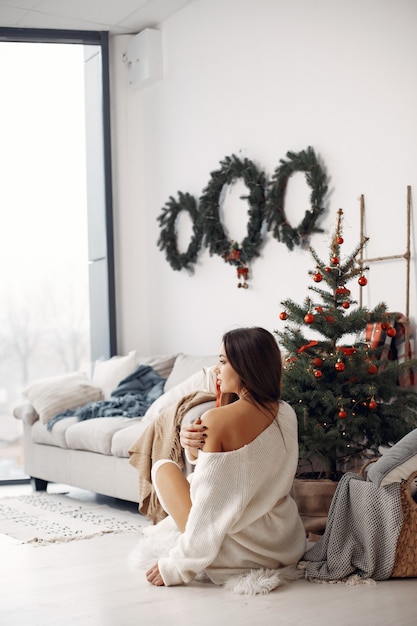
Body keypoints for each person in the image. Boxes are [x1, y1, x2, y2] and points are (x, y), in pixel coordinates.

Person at [144, 326, 306, 587]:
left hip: (238, 553)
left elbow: (209, 506)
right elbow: (244, 472)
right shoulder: (287, 413)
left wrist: (177, 567)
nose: (216, 369)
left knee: (163, 468)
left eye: (222, 361)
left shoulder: (216, 420)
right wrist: (193, 447)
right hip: (283, 543)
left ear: (245, 367)